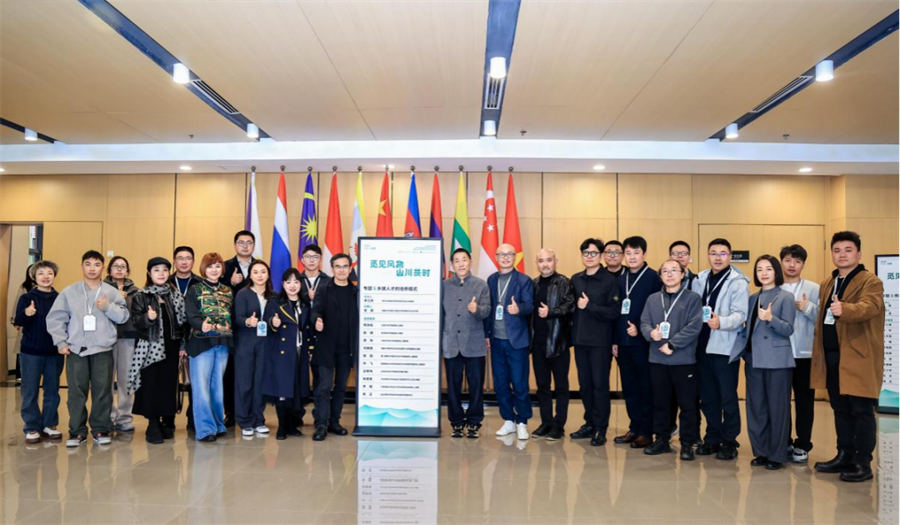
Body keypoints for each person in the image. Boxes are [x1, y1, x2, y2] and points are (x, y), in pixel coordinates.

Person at [812, 231, 885, 483]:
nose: (842, 255)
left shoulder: (870, 281)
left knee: (861, 410)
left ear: (859, 253)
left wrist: (845, 309)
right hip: (832, 356)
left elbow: (869, 307)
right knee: (840, 408)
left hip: (858, 356)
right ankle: (844, 454)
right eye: (837, 250)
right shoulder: (828, 283)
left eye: (848, 250)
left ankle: (862, 463)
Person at [47, 250, 130, 448]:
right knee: (76, 393)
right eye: (88, 264)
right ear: (82, 266)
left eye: (97, 264)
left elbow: (123, 316)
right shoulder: (70, 292)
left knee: (102, 392)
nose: (92, 268)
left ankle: (101, 429)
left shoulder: (111, 292)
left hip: (103, 349)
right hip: (76, 350)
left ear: (103, 267)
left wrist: (107, 306)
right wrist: (61, 342)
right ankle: (77, 432)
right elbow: (56, 318)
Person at [731, 255, 795, 470]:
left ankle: (777, 454)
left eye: (768, 268)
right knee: (756, 408)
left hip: (777, 361)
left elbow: (788, 329)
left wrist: (771, 319)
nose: (764, 273)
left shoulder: (786, 297)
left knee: (778, 409)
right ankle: (761, 451)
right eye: (759, 269)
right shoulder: (752, 298)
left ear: (776, 271)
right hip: (754, 360)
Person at [692, 238, 749, 460]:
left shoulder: (738, 282)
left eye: (723, 253)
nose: (718, 257)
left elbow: (740, 315)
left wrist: (721, 322)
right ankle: (712, 438)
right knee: (708, 397)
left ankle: (729, 441)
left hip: (724, 347)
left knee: (727, 397)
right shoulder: (700, 279)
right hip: (702, 346)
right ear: (708, 255)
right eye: (713, 253)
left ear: (730, 256)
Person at [640, 260, 703, 460]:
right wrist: (651, 333)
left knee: (687, 404)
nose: (669, 274)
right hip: (657, 360)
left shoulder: (693, 298)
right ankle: (661, 439)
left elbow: (694, 326)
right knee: (661, 403)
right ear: (660, 276)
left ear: (683, 274)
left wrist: (673, 344)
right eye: (665, 271)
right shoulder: (652, 299)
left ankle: (687, 443)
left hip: (683, 361)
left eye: (674, 270)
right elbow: (644, 322)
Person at [128, 257, 187, 444]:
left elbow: (183, 323)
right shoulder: (140, 296)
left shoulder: (175, 295)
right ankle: (152, 423)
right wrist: (148, 318)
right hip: (149, 348)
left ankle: (164, 421)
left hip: (172, 347)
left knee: (167, 385)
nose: (161, 273)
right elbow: (135, 322)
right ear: (149, 273)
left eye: (164, 270)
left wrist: (183, 346)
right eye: (156, 270)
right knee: (150, 386)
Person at [570, 238, 620, 446]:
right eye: (585, 253)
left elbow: (614, 312)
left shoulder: (609, 280)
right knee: (585, 386)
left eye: (593, 253)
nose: (589, 257)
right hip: (580, 341)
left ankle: (600, 427)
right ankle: (589, 423)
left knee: (600, 386)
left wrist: (590, 306)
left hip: (600, 342)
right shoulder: (576, 279)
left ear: (601, 255)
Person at [613, 236, 661, 449]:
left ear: (644, 254)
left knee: (645, 388)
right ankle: (634, 427)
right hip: (623, 344)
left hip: (644, 344)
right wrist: (615, 340)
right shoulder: (620, 278)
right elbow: (616, 312)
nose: (632, 257)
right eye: (628, 253)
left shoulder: (653, 278)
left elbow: (658, 311)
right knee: (629, 388)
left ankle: (646, 431)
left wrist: (641, 332)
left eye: (636, 253)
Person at [486, 243, 535, 441]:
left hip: (517, 342)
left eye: (509, 254)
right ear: (496, 257)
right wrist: (487, 334)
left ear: (515, 257)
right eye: (502, 255)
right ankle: (508, 420)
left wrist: (519, 309)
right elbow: (489, 308)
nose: (505, 258)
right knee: (500, 384)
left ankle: (522, 422)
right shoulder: (491, 279)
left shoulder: (524, 280)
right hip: (496, 341)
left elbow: (530, 305)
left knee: (520, 384)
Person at [442, 248, 491, 438]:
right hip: (451, 343)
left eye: (464, 260)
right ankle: (456, 422)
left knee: (476, 385)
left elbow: (487, 311)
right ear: (452, 265)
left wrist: (476, 309)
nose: (461, 264)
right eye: (457, 261)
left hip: (474, 344)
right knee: (453, 386)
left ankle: (474, 422)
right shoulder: (444, 286)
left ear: (470, 262)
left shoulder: (481, 285)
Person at [185, 253, 234, 443]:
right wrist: (200, 324)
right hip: (201, 343)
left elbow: (232, 314)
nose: (214, 270)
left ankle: (218, 424)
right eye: (210, 266)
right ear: (203, 269)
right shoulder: (195, 289)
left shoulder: (228, 291)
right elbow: (190, 314)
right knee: (201, 388)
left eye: (218, 266)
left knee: (217, 387)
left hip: (222, 343)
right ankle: (205, 429)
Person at [780, 244, 820, 463]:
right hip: (780, 355)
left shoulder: (814, 288)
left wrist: (808, 307)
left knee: (805, 401)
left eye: (797, 261)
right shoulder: (774, 287)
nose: (792, 265)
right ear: (781, 262)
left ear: (803, 264)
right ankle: (784, 442)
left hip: (805, 355)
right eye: (787, 260)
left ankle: (803, 444)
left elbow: (825, 318)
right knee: (780, 401)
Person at [14, 260, 63, 445]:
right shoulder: (27, 298)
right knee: (30, 390)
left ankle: (49, 424)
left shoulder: (60, 298)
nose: (45, 277)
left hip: (54, 351)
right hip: (31, 352)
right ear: (34, 277)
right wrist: (26, 313)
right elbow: (18, 321)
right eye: (41, 273)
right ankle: (31, 427)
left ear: (54, 276)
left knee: (52, 390)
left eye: (49, 273)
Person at [310, 253, 358, 441]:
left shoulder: (356, 291)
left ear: (350, 269)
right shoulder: (324, 288)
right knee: (324, 387)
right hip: (326, 347)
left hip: (347, 349)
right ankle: (321, 424)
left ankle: (334, 422)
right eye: (337, 266)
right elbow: (315, 310)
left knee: (340, 388)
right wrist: (317, 320)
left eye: (345, 266)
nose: (341, 270)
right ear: (332, 269)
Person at [530, 248, 574, 442]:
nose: (545, 264)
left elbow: (570, 306)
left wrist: (551, 312)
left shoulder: (564, 282)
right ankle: (546, 422)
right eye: (541, 261)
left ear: (556, 261)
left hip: (558, 343)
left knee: (561, 386)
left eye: (549, 260)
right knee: (542, 386)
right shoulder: (533, 284)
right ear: (537, 264)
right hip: (538, 344)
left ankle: (559, 425)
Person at [263, 268, 310, 440]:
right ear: (283, 284)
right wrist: (272, 323)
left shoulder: (305, 304)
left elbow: (308, 329)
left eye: (296, 282)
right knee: (283, 391)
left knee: (295, 390)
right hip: (281, 354)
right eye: (288, 282)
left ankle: (292, 425)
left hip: (300, 352)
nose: (292, 285)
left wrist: (310, 349)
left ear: (300, 284)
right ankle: (282, 426)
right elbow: (266, 324)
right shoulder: (275, 303)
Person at [234, 260, 274, 437]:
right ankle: (245, 421)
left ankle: (259, 420)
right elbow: (237, 318)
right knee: (245, 383)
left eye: (263, 271)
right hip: (246, 343)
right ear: (250, 275)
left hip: (266, 344)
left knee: (260, 383)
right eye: (255, 272)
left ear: (268, 274)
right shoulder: (243, 294)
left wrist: (274, 322)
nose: (259, 275)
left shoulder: (274, 295)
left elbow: (275, 319)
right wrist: (247, 321)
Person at [223, 230, 258, 427]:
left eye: (249, 242)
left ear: (254, 245)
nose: (245, 246)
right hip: (230, 327)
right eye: (241, 242)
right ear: (234, 245)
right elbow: (216, 290)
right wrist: (230, 282)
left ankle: (252, 411)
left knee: (252, 372)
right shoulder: (225, 266)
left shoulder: (259, 266)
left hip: (253, 328)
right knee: (230, 372)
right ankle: (231, 412)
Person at [669, 240, 701, 443]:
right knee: (668, 393)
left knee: (691, 394)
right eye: (675, 253)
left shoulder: (699, 280)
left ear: (690, 258)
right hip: (667, 345)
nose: (679, 256)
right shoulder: (663, 280)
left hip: (692, 344)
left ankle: (692, 434)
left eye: (683, 253)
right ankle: (668, 428)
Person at [104, 256, 140, 433]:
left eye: (123, 266)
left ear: (127, 271)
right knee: (106, 379)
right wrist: (114, 299)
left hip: (128, 337)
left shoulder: (135, 291)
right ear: (109, 270)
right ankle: (108, 417)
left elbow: (138, 315)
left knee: (126, 380)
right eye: (116, 266)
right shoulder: (101, 289)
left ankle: (124, 418)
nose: (119, 269)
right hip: (105, 338)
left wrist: (124, 299)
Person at [170, 246, 202, 432]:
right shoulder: (166, 281)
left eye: (188, 258)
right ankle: (168, 418)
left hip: (194, 337)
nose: (184, 261)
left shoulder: (200, 283)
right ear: (174, 261)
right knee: (169, 380)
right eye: (180, 258)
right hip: (170, 338)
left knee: (194, 381)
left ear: (193, 261)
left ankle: (193, 418)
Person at [298, 244, 329, 427]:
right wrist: (305, 296)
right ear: (302, 259)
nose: (311, 260)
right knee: (298, 378)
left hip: (320, 337)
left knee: (320, 380)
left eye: (315, 257)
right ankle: (296, 416)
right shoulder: (295, 279)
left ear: (320, 260)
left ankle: (320, 418)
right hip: (299, 335)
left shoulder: (328, 281)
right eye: (308, 257)